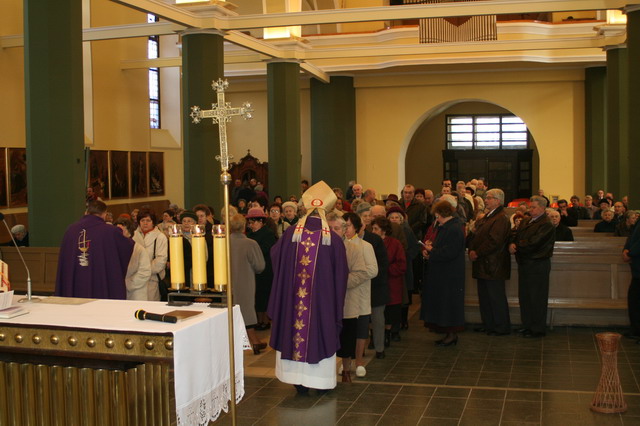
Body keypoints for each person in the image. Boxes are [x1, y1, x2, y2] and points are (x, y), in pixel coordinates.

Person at [268, 181, 349, 394]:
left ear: (305, 209)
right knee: (320, 333)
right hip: (321, 304)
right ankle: (320, 383)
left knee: (292, 330)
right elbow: (341, 275)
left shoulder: (290, 235)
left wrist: (288, 281)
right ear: (326, 212)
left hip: (293, 302)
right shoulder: (333, 239)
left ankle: (298, 384)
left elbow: (274, 257)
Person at [55, 200, 134, 299]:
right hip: (100, 282)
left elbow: (65, 260)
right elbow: (127, 246)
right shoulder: (110, 231)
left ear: (86, 212)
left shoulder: (71, 230)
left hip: (76, 282)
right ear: (104, 214)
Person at [327, 213, 371, 382]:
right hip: (326, 304)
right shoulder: (320, 248)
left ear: (344, 230)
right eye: (329, 228)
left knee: (346, 339)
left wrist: (337, 283)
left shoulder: (353, 249)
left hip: (347, 302)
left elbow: (360, 273)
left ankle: (346, 370)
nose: (332, 231)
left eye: (336, 228)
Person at [467, 189, 512, 336]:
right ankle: (489, 324)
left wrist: (477, 252)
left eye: (489, 198)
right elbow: (476, 235)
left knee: (495, 298)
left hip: (494, 265)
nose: (486, 200)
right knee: (485, 298)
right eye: (486, 198)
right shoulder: (488, 216)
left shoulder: (501, 218)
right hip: (484, 264)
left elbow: (494, 241)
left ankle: (500, 327)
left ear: (498, 201)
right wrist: (471, 249)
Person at [509, 196, 555, 338]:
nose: (530, 210)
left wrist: (517, 245)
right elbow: (516, 234)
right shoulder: (526, 220)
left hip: (538, 264)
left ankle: (537, 328)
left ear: (542, 208)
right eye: (530, 207)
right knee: (525, 296)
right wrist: (512, 243)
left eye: (533, 207)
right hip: (525, 263)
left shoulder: (546, 223)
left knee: (537, 297)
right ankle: (527, 325)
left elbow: (535, 242)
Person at [422, 200, 466, 346]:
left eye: (437, 216)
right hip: (444, 273)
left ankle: (451, 334)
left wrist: (432, 251)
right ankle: (448, 333)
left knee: (449, 304)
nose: (437, 220)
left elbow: (450, 252)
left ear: (443, 214)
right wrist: (430, 250)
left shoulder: (454, 229)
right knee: (444, 303)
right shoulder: (447, 227)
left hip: (450, 274)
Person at [229, 213, 267, 354]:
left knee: (232, 312)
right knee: (246, 310)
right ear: (244, 226)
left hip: (227, 284)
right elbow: (260, 266)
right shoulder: (250, 244)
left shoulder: (223, 242)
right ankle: (254, 341)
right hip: (245, 282)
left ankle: (247, 342)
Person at [371, 216, 406, 348]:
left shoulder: (395, 244)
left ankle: (386, 334)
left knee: (390, 312)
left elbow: (401, 265)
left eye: (376, 229)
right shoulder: (370, 243)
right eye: (372, 229)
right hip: (375, 283)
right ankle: (374, 337)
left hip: (391, 283)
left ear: (384, 230)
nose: (373, 231)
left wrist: (385, 269)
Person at [246, 207, 277, 331]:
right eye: (250, 223)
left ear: (261, 221)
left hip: (266, 269)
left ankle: (265, 320)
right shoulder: (249, 234)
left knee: (264, 295)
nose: (251, 225)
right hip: (253, 269)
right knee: (257, 296)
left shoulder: (268, 233)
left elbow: (266, 249)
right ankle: (258, 320)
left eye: (253, 222)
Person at [132, 208, 168, 301]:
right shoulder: (133, 236)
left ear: (153, 222)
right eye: (142, 220)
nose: (145, 223)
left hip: (152, 279)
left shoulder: (160, 237)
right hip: (134, 280)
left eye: (148, 220)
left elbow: (161, 260)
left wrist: (144, 270)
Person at [114, 217, 151, 300]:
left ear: (130, 233)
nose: (119, 233)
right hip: (117, 292)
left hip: (135, 293)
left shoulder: (138, 249)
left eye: (122, 230)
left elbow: (144, 272)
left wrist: (125, 284)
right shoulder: (112, 249)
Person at [623, 224, 640, 341]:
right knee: (634, 300)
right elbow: (632, 237)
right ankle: (636, 329)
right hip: (637, 270)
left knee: (635, 299)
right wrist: (626, 249)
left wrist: (630, 254)